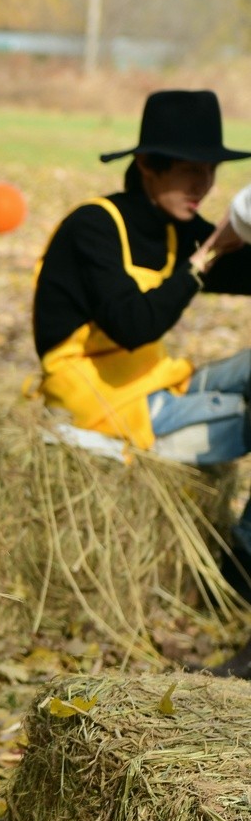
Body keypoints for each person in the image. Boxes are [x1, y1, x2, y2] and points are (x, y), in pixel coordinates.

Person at [33, 88, 251, 603]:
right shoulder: (94, 227)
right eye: (191, 170)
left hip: (155, 379)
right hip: (99, 403)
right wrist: (203, 260)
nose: (204, 185)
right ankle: (242, 571)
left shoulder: (176, 226)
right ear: (149, 166)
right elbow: (133, 324)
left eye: (211, 171)